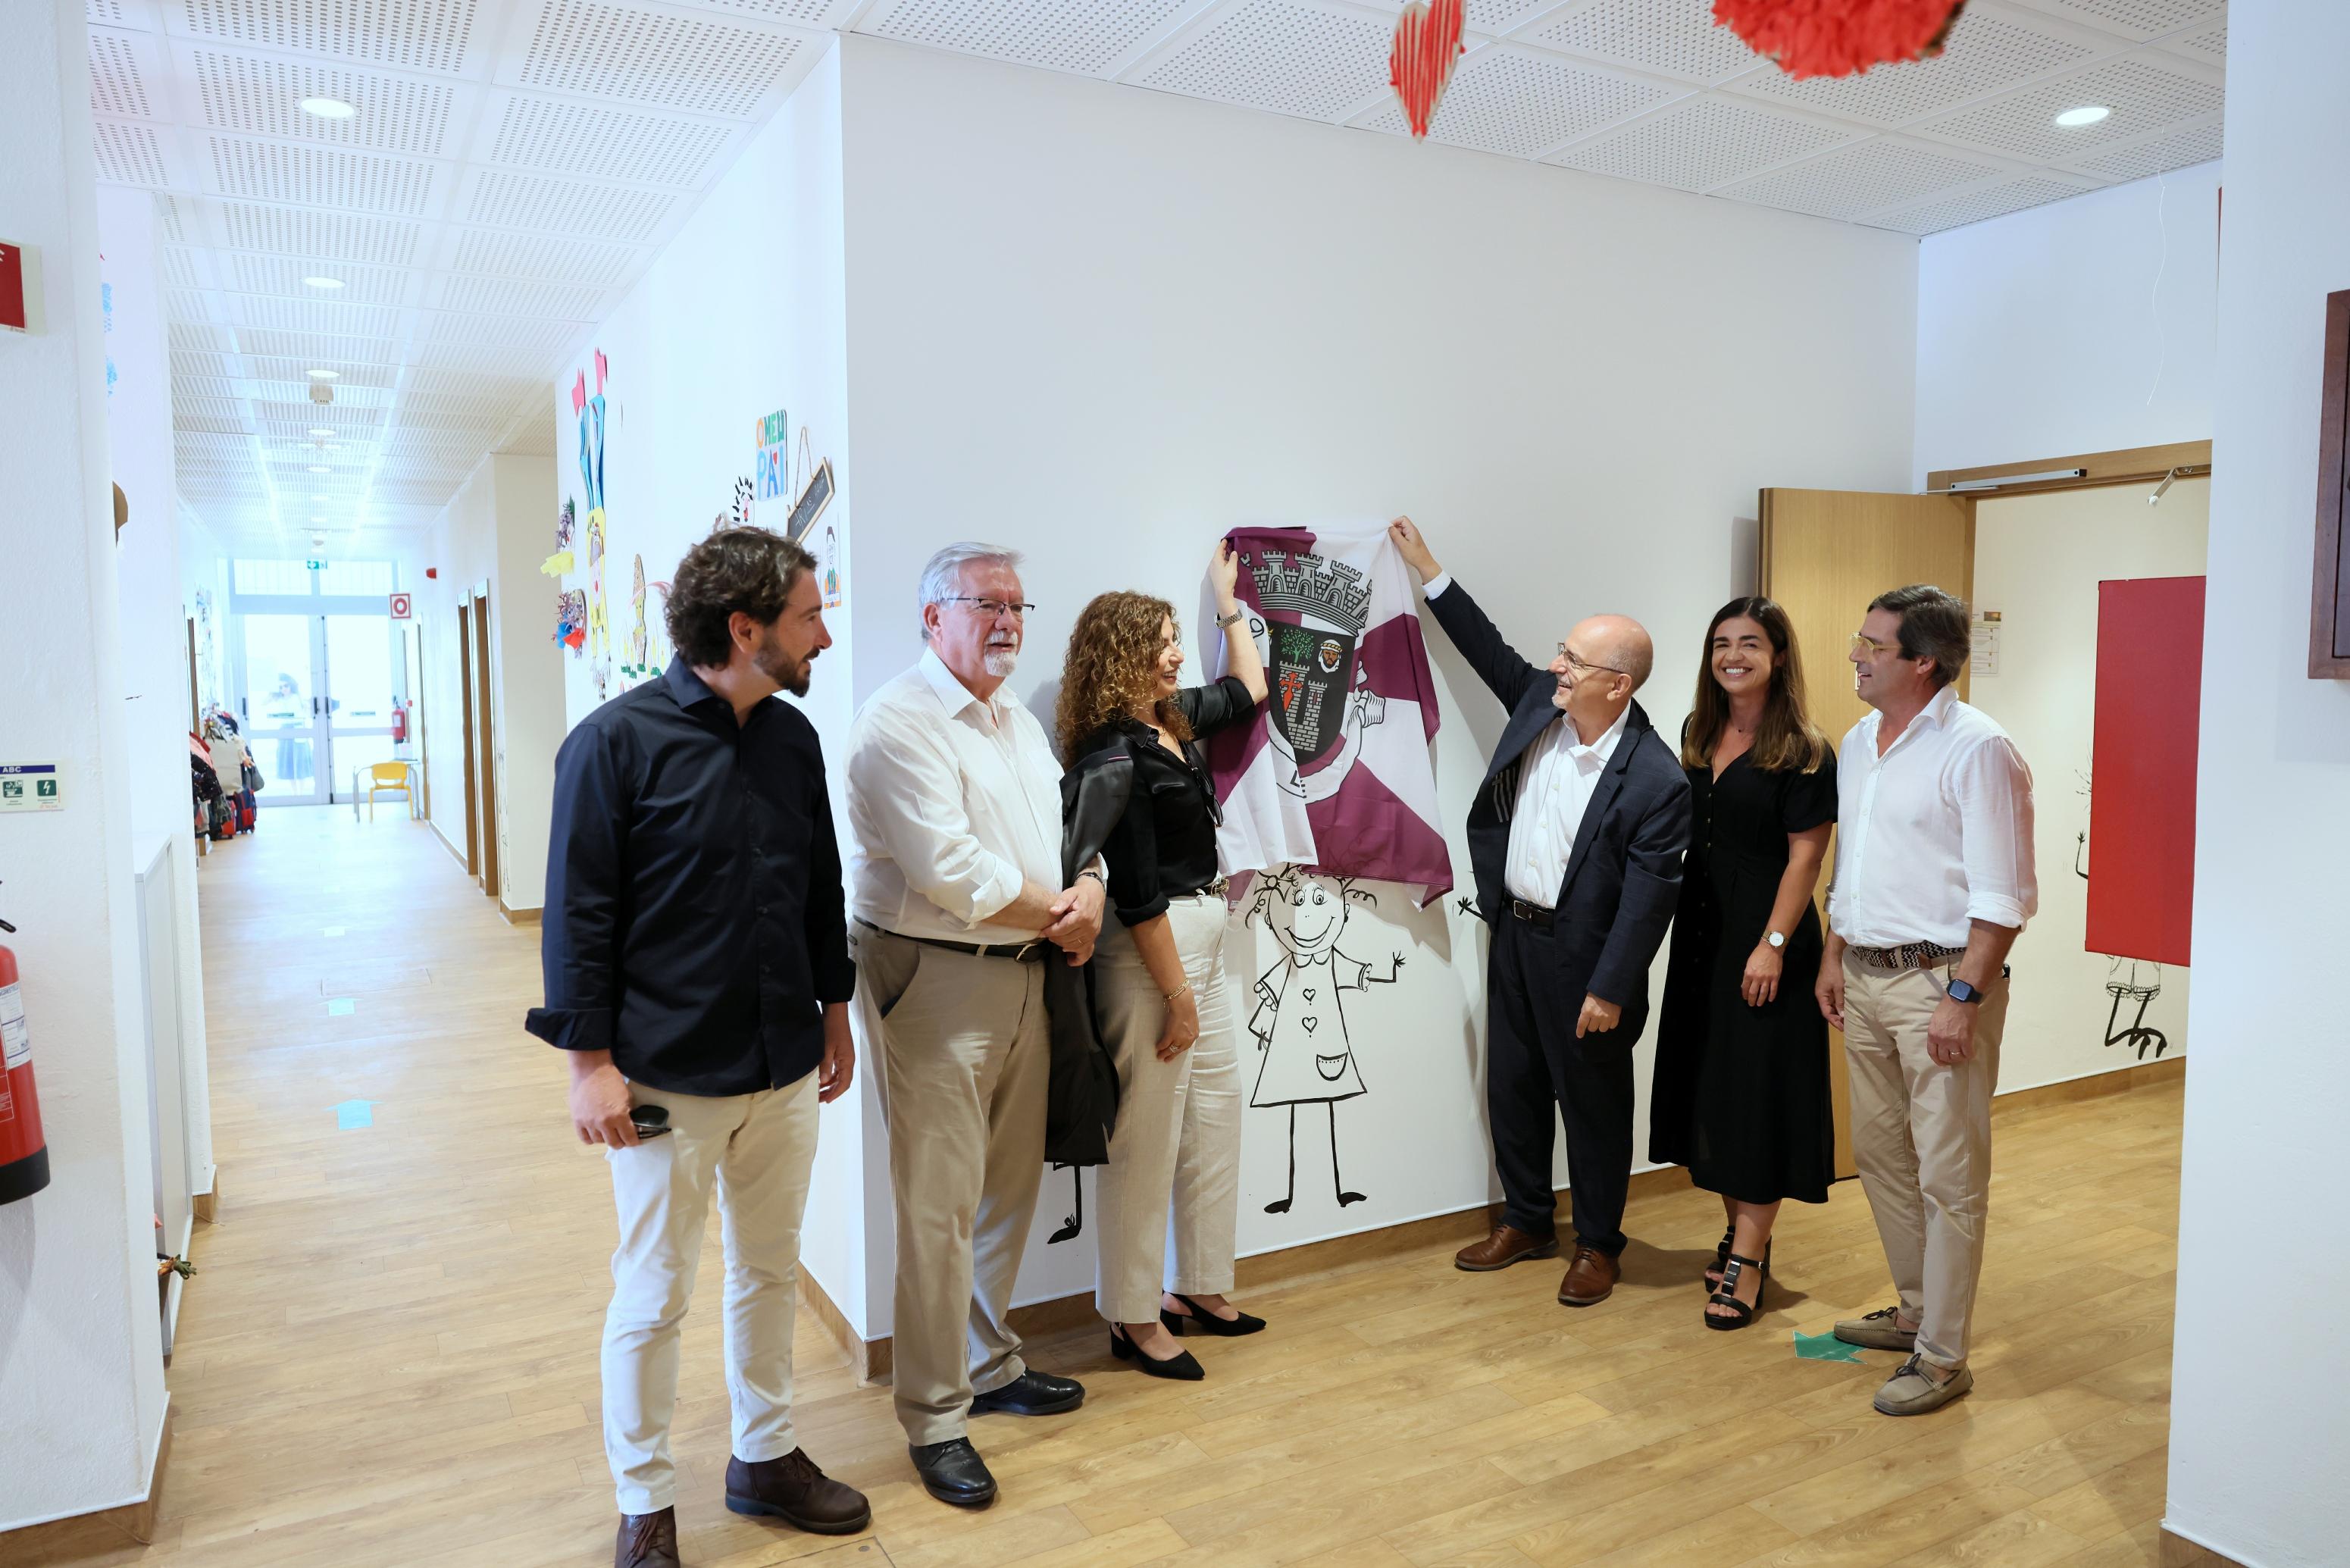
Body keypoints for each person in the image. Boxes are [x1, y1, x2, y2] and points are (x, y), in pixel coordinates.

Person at [527, 527, 868, 1568]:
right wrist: (588, 1065)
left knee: (767, 1269)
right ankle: (644, 1502)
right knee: (654, 1292)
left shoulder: (793, 739)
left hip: (782, 1060)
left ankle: (763, 1456)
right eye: (810, 615)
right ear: (745, 627)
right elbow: (577, 915)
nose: (823, 633)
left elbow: (819, 886)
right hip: (665, 1074)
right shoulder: (612, 743)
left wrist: (835, 1007)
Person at [845, 542, 1105, 1508]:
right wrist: (1064, 913)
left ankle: (989, 1363)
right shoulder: (897, 721)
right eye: (985, 603)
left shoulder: (1012, 722)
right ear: (932, 616)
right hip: (937, 976)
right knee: (938, 1204)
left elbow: (1065, 831)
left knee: (1005, 1185)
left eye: (1017, 605)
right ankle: (933, 1416)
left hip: (1026, 969)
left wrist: (1090, 886)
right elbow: (950, 871)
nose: (1006, 622)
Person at [1388, 516, 1691, 1307]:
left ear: (1617, 684)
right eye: (1562, 650)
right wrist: (1428, 568)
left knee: (1592, 1106)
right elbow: (1486, 648)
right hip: (1514, 937)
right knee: (1513, 1089)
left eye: (1574, 659)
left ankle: (1597, 1243)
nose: (1557, 664)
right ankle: (1526, 1219)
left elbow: (1649, 898)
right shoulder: (1539, 704)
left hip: (1585, 962)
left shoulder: (1656, 779)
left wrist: (1610, 987)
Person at [1817, 584, 2035, 1416]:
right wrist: (1833, 953)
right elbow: (1853, 866)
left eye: (1873, 645)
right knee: (1880, 1156)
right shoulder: (1858, 741)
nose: (1855, 654)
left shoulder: (1978, 748)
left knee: (1948, 1174)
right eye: (1859, 638)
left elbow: (2003, 895)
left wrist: (1962, 995)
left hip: (1937, 982)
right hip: (1864, 975)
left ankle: (1942, 1357)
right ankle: (1913, 1310)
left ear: (1924, 662)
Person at [1055, 543, 1270, 1382]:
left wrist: (1225, 599)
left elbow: (1249, 688)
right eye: (1160, 643)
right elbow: (1138, 893)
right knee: (1145, 1138)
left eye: (1176, 640)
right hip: (1154, 949)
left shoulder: (1168, 721)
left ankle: (1201, 1285)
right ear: (1118, 657)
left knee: (1214, 1112)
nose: (1176, 655)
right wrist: (1177, 994)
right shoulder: (1114, 752)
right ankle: (1133, 1312)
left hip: (1202, 933)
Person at [1649, 598, 1837, 1331]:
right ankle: (1739, 1235)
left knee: (1756, 1097)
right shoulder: (1697, 732)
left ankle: (1748, 1261)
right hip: (1703, 935)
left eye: (1750, 643)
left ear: (1778, 655)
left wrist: (1773, 944)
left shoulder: (1807, 749)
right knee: (1716, 1093)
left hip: (1767, 941)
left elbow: (1805, 858)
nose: (1733, 655)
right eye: (1721, 643)